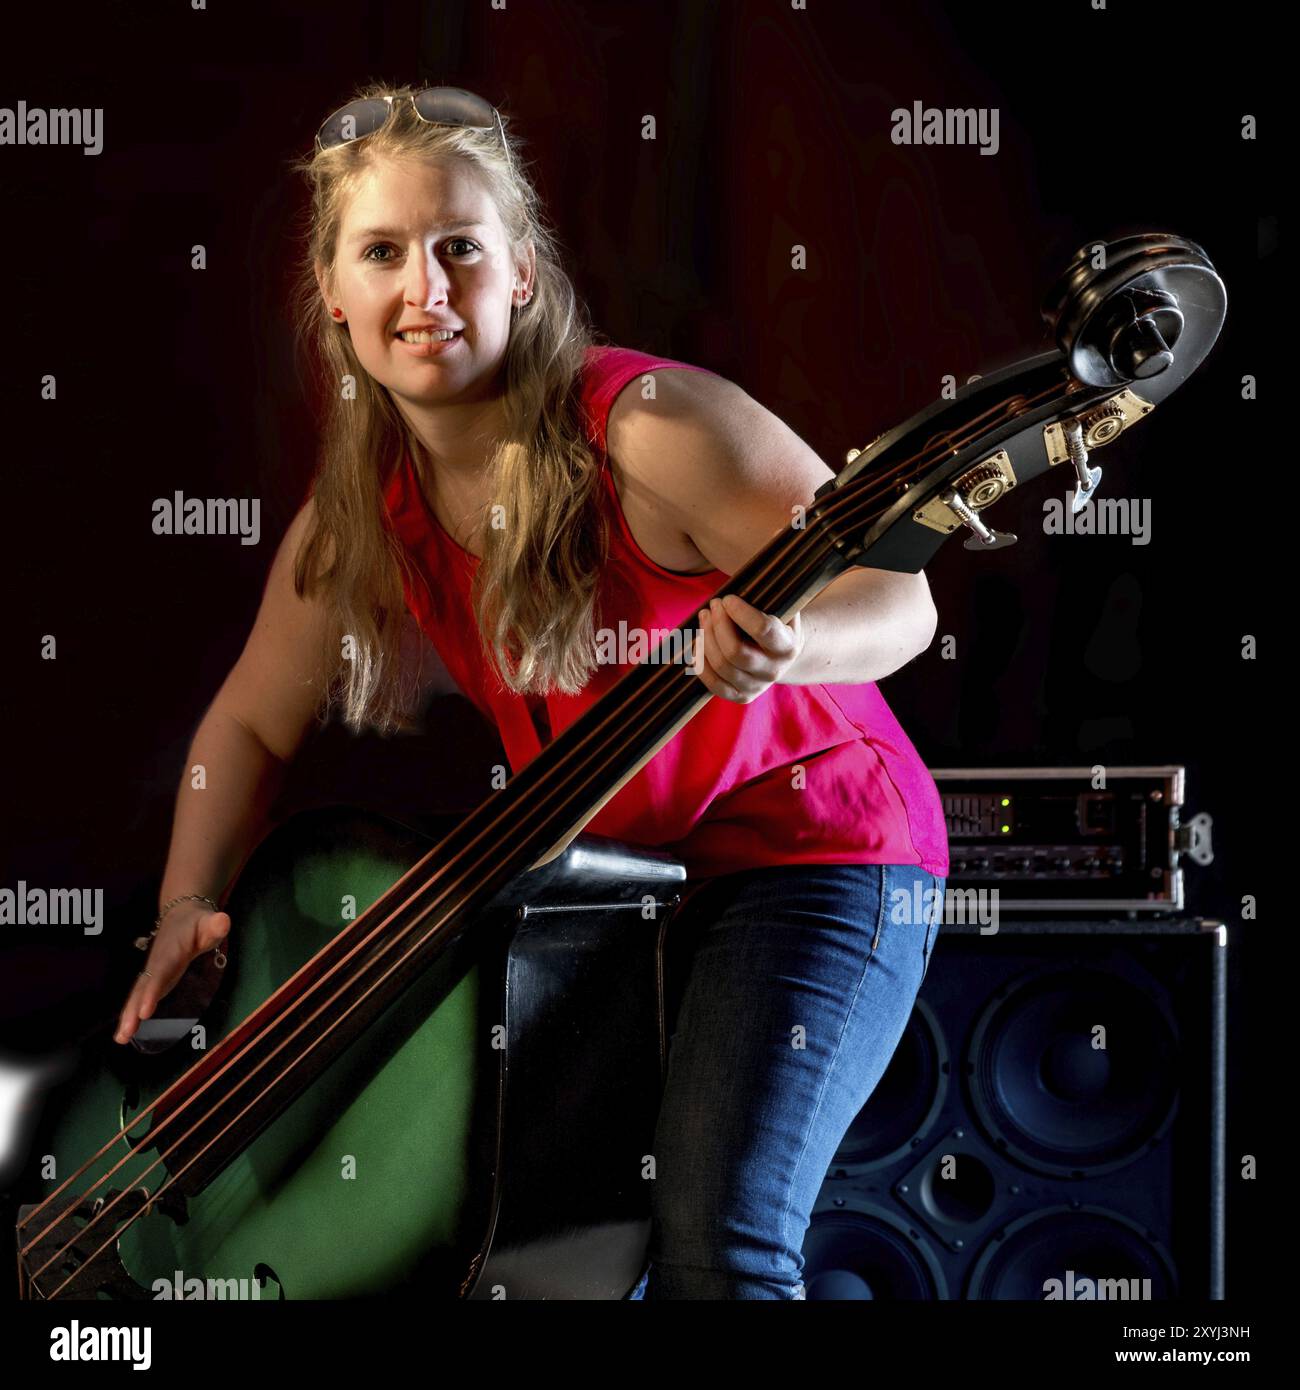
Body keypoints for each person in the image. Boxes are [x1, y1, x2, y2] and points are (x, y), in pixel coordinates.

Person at [113, 82, 948, 1300]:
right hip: (613, 893)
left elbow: (904, 595)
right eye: (383, 253)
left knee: (726, 1246)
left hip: (820, 855)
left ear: (522, 273)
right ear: (334, 297)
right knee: (570, 1263)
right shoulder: (361, 516)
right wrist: (191, 896)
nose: (425, 288)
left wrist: (791, 647)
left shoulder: (651, 429)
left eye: (460, 247)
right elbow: (246, 718)